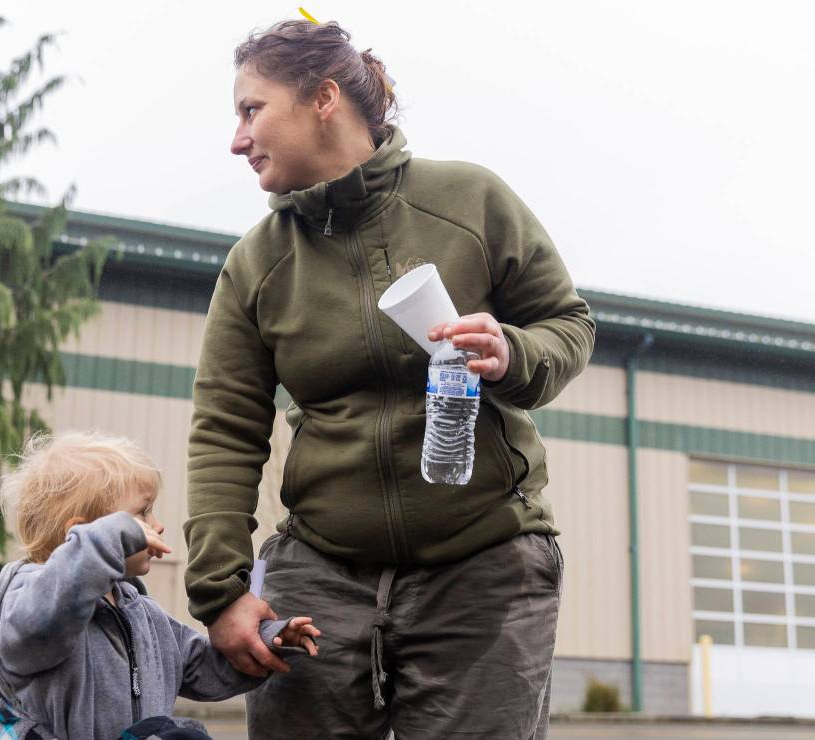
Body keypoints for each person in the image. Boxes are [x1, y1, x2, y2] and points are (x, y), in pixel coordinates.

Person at [184, 17, 595, 740]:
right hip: (319, 578)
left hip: (485, 568)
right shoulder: (255, 265)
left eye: (251, 110)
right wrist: (220, 592)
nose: (236, 139)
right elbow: (225, 428)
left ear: (324, 98)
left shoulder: (471, 202)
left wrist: (513, 353)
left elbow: (569, 325)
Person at [0, 431, 319, 740]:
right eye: (142, 514)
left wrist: (265, 638)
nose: (157, 525)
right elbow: (38, 626)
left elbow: (202, 664)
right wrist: (106, 542)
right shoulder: (32, 602)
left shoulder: (141, 614)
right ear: (83, 533)